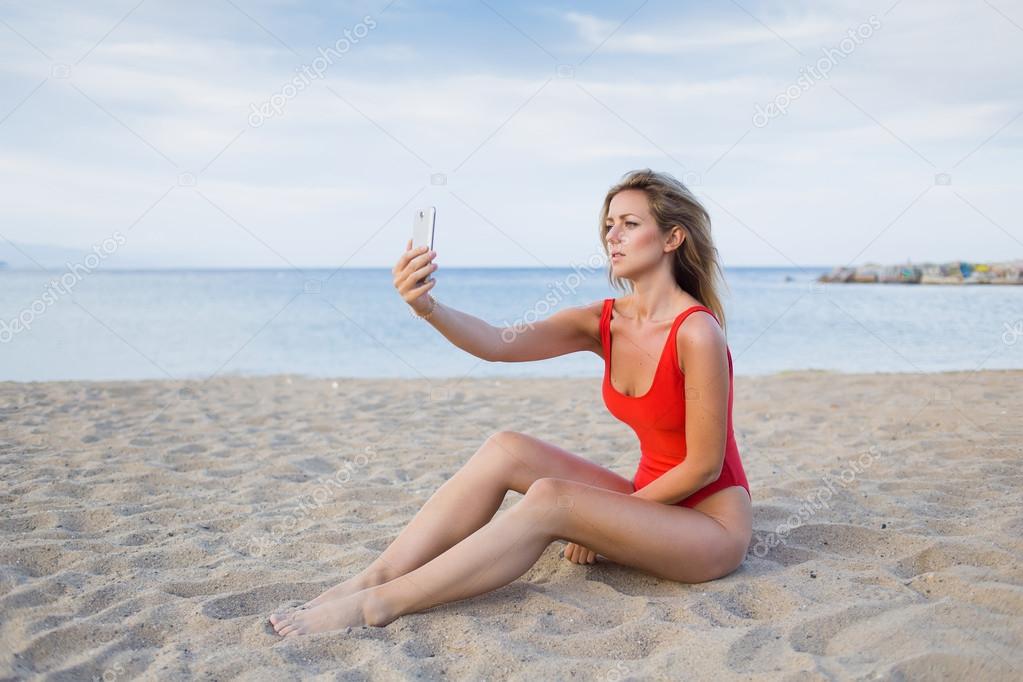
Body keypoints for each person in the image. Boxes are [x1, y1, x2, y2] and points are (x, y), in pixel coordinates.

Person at [270, 169, 752, 637]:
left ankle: (381, 604)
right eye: (609, 225)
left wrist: (594, 521)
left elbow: (703, 468)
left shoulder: (696, 332)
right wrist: (428, 308)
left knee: (551, 499)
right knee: (506, 448)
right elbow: (500, 343)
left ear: (672, 239)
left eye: (630, 224)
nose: (613, 237)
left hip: (707, 528)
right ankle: (374, 578)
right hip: (645, 502)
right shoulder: (603, 321)